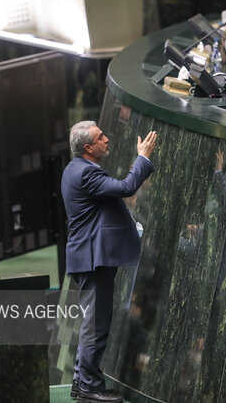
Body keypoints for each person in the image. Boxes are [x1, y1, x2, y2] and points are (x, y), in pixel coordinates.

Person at [61, 120, 157, 403]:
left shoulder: (77, 169)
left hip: (89, 257)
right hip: (92, 259)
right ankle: (90, 388)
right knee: (96, 325)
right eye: (100, 137)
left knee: (92, 324)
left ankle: (82, 384)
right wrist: (143, 157)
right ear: (88, 147)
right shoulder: (86, 174)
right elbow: (126, 187)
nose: (107, 138)